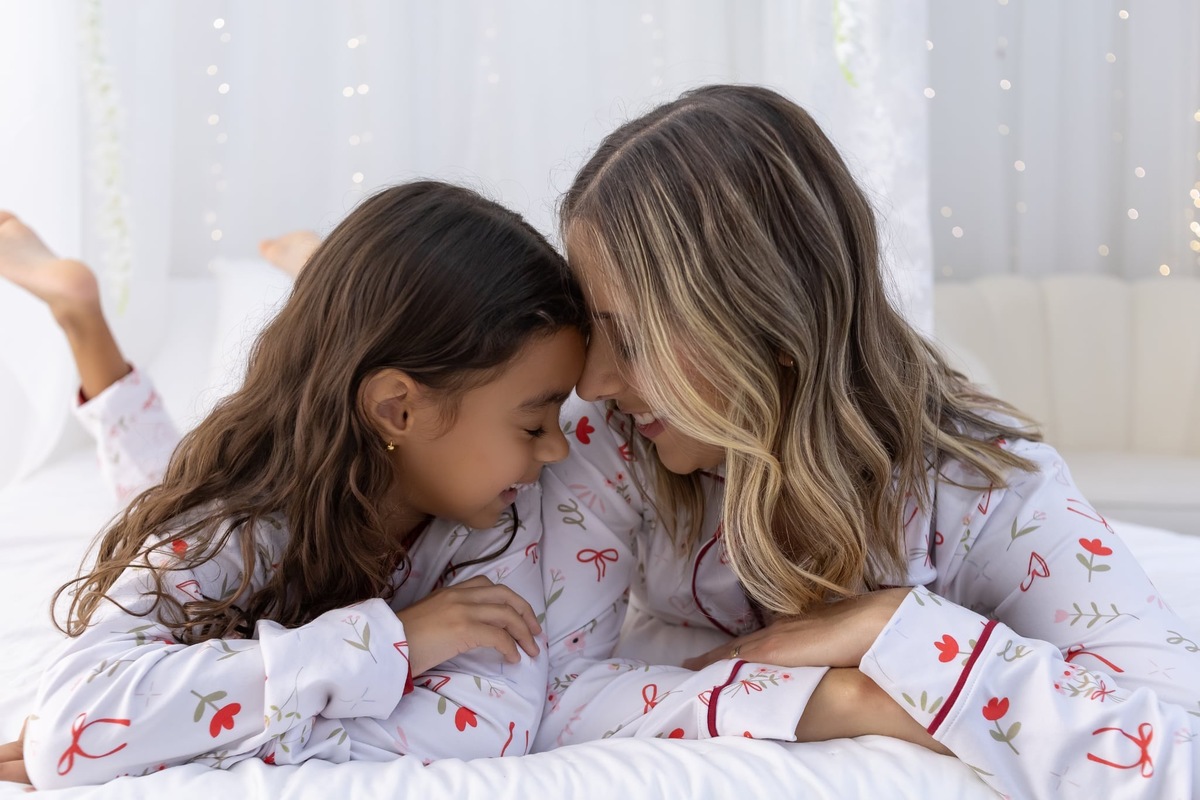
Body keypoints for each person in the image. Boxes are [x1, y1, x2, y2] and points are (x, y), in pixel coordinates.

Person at [530, 84, 1200, 798]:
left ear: (767, 321)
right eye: (592, 333)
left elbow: (1178, 752)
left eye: (630, 340)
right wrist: (855, 701)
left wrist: (901, 630)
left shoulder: (987, 492)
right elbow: (544, 692)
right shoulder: (607, 445)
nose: (592, 382)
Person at [0, 180, 588, 789]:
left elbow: (490, 722)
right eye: (533, 423)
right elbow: (72, 727)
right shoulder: (236, 524)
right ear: (399, 409)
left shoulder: (499, 512)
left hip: (372, 421)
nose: (559, 448)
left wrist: (174, 740)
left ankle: (316, 264)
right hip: (279, 484)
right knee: (152, 482)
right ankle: (81, 313)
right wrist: (389, 642)